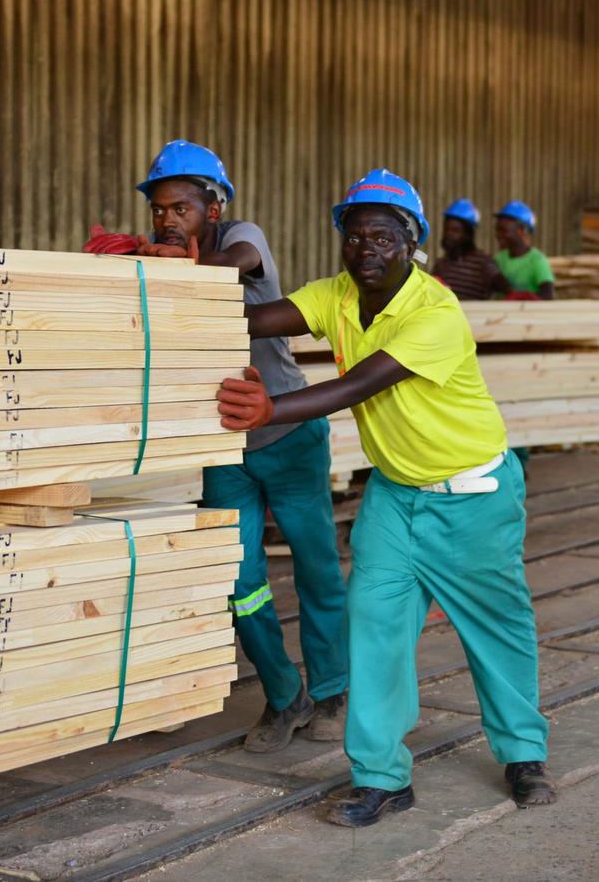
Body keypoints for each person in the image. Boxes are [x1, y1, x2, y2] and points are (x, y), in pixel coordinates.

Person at [214, 169, 556, 827]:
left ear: (411, 243)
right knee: (372, 626)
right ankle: (380, 778)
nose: (366, 248)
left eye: (383, 237)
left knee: (496, 628)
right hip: (395, 496)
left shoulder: (435, 313)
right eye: (354, 235)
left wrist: (272, 408)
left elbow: (361, 383)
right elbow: (257, 317)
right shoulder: (337, 295)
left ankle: (523, 753)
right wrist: (169, 286)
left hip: (473, 496)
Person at [131, 139, 349, 752]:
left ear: (214, 207)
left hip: (289, 435)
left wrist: (173, 261)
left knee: (315, 566)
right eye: (159, 209)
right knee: (240, 578)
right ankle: (285, 696)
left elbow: (236, 262)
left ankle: (333, 690)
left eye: (181, 208)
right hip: (225, 449)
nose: (168, 219)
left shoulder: (240, 240)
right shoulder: (159, 264)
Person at [431, 198, 509, 301]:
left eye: (455, 230)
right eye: (446, 229)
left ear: (468, 234)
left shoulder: (483, 262)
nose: (449, 234)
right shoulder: (441, 264)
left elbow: (505, 288)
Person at [492, 201, 556, 300]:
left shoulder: (537, 260)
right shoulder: (499, 259)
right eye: (497, 230)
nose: (498, 235)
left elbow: (548, 295)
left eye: (504, 230)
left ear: (522, 231)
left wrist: (525, 298)